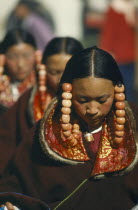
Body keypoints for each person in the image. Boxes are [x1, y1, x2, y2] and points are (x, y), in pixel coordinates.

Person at [0, 46, 138, 209]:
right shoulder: (47, 132)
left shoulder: (134, 123)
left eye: (102, 100)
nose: (92, 110)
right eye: (83, 100)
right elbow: (16, 187)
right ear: (68, 92)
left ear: (117, 91)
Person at [0, 37, 83, 173]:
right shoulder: (28, 101)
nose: (62, 79)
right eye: (54, 72)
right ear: (44, 68)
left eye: (69, 71)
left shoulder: (94, 100)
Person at [99, 0, 136, 103]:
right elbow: (109, 33)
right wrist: (106, 51)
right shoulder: (114, 9)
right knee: (121, 89)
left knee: (129, 89)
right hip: (119, 57)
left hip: (131, 56)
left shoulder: (131, 8)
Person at [0, 28, 37, 110]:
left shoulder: (44, 85)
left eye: (27, 55)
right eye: (13, 57)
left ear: (36, 55)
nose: (20, 64)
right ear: (3, 57)